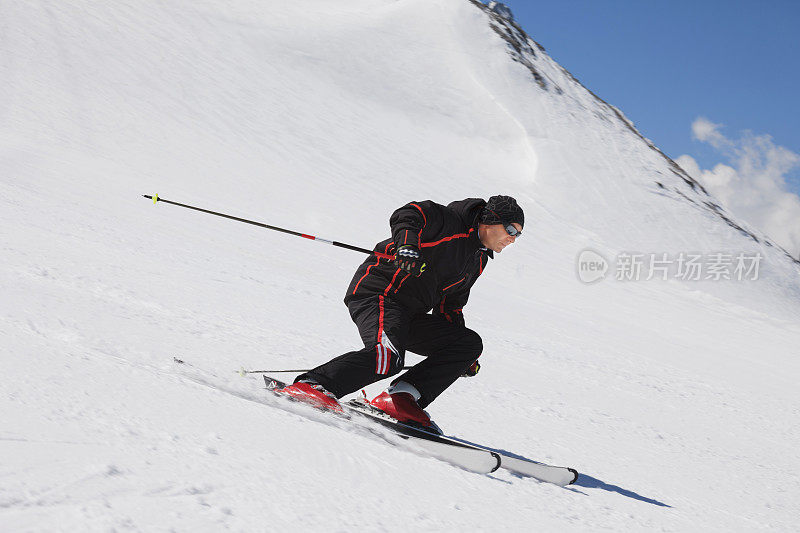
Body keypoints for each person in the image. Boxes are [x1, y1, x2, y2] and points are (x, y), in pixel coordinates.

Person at [279, 195, 524, 428]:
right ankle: (313, 385)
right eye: (511, 230)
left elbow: (450, 306)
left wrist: (461, 360)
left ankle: (400, 399)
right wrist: (406, 248)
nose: (513, 239)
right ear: (490, 220)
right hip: (380, 293)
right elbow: (410, 213)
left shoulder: (477, 260)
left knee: (467, 344)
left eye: (518, 235)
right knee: (388, 357)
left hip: (411, 314)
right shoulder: (449, 222)